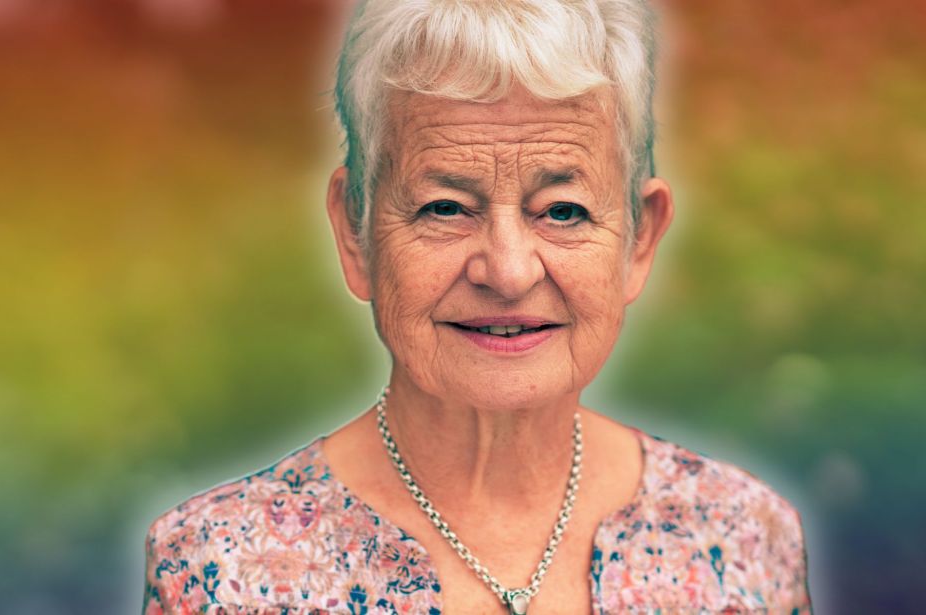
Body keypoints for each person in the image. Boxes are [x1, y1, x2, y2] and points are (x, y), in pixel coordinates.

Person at [141, 0, 811, 612]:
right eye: (445, 207)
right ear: (356, 230)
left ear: (639, 239)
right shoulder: (216, 569)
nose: (509, 270)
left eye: (563, 210)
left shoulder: (747, 538)